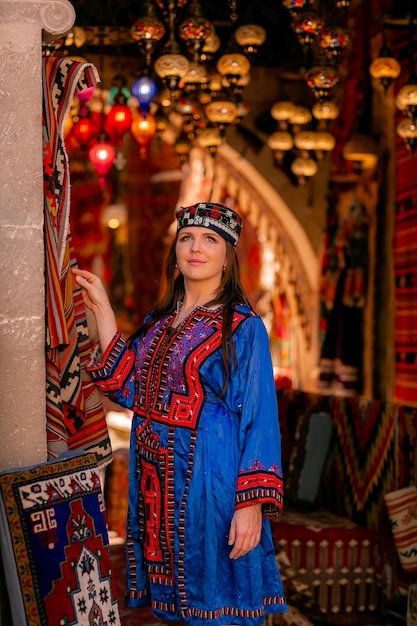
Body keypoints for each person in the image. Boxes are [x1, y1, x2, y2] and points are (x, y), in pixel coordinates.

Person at [73, 201, 287, 626]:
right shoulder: (159, 322)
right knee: (173, 608)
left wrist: (252, 505)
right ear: (175, 251)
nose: (195, 247)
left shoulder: (244, 327)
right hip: (156, 485)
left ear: (228, 256)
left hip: (212, 483)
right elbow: (127, 387)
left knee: (217, 605)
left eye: (210, 239)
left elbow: (260, 420)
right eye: (187, 238)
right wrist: (103, 311)